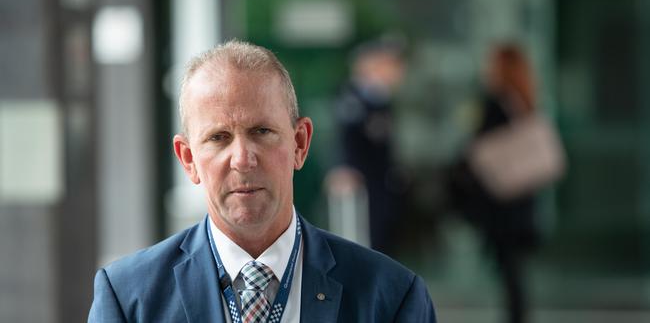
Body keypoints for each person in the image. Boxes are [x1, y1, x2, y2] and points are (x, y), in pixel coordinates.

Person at [88, 40, 436, 322]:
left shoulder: (391, 298)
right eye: (218, 137)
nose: (242, 159)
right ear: (188, 159)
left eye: (262, 131)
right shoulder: (128, 299)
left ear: (300, 144)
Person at [449, 43, 541, 323]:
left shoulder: (496, 103)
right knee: (513, 271)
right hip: (519, 199)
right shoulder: (524, 102)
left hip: (502, 203)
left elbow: (476, 149)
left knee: (510, 270)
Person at [326, 38, 407, 256]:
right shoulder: (353, 97)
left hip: (381, 184)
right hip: (361, 187)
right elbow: (345, 139)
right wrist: (344, 167)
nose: (398, 71)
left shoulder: (381, 98)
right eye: (390, 64)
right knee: (361, 245)